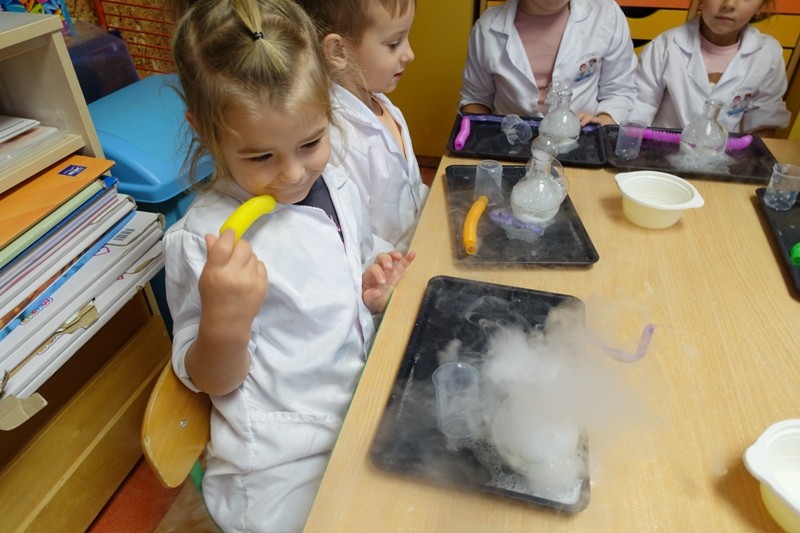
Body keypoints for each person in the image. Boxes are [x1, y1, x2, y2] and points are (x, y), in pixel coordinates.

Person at [165, 0, 414, 531]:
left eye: (311, 142)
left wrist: (369, 278)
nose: (294, 174)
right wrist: (224, 323)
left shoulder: (335, 183)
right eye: (261, 157)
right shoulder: (203, 242)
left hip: (362, 409)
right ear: (205, 131)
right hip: (281, 465)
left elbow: (350, 251)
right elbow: (210, 379)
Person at [295, 0, 428, 253]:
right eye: (394, 44)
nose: (409, 54)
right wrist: (383, 262)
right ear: (338, 51)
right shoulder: (338, 137)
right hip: (390, 265)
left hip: (418, 241)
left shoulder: (383, 105)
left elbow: (408, 188)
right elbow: (353, 231)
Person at [459, 0, 638, 126]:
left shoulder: (606, 14)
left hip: (582, 141)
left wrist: (603, 122)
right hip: (509, 142)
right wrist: (482, 135)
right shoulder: (487, 28)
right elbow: (476, 99)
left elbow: (619, 90)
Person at [630, 0, 790, 136]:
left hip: (723, 157)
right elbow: (639, 110)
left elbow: (765, 121)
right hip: (661, 151)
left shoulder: (767, 54)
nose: (729, 4)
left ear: (761, 7)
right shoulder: (665, 46)